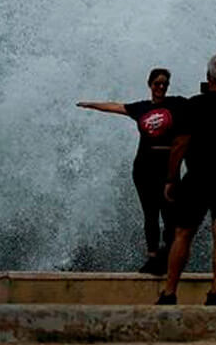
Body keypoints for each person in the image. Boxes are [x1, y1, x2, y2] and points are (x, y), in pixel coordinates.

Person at [156, 54, 216, 306]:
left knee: (183, 234)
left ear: (207, 75)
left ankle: (169, 292)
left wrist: (171, 178)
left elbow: (180, 143)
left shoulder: (194, 105)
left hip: (199, 176)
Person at [77, 67, 179, 274]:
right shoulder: (141, 108)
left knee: (170, 216)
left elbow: (201, 106)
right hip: (143, 168)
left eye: (164, 84)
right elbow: (115, 107)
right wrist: (91, 105)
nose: (160, 87)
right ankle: (151, 258)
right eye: (157, 83)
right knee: (150, 214)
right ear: (149, 84)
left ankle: (167, 255)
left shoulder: (176, 104)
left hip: (168, 168)